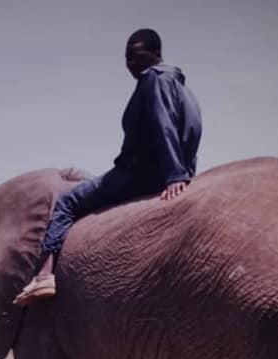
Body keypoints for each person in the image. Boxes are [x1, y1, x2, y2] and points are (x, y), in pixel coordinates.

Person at [14, 28, 202, 304]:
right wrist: (185, 171)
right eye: (127, 58)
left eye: (137, 57)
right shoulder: (182, 86)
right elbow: (191, 130)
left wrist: (174, 176)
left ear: (155, 54)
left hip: (140, 173)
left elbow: (164, 126)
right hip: (168, 170)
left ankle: (43, 275)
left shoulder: (154, 79)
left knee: (67, 201)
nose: (130, 64)